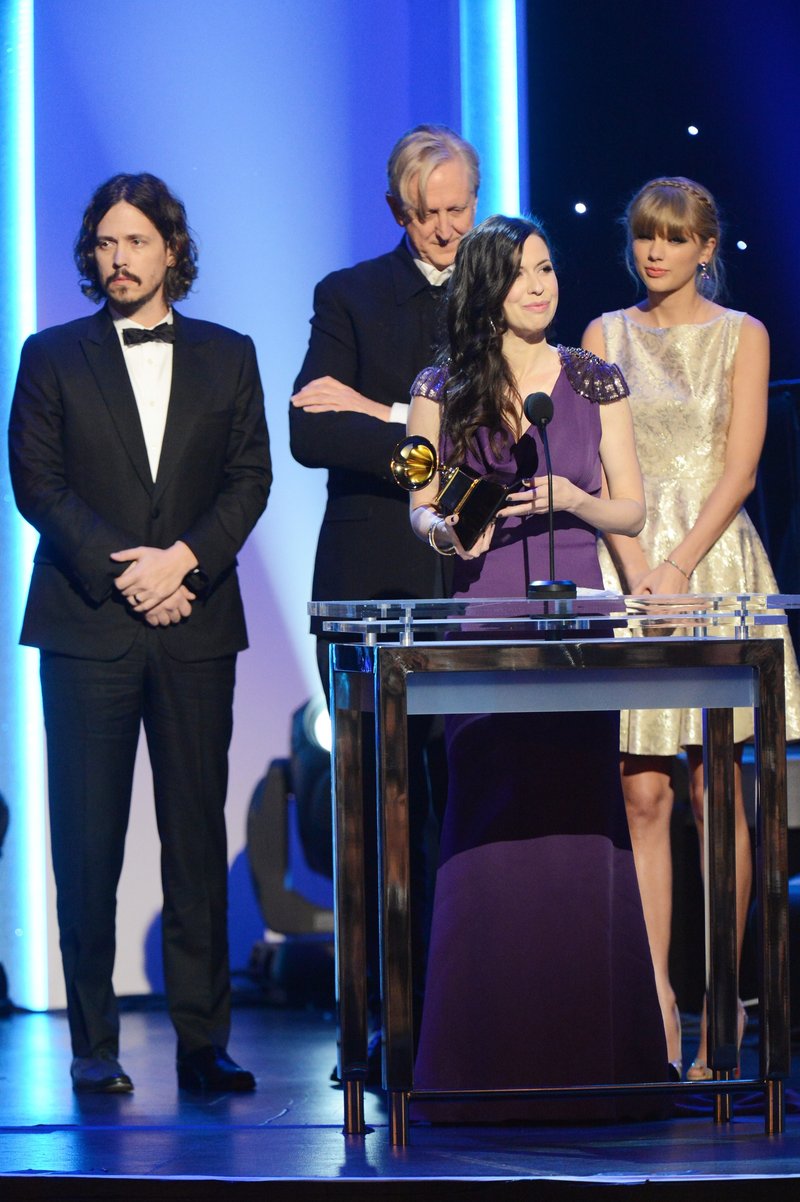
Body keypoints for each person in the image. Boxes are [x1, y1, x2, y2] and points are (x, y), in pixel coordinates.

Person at [8, 173, 272, 1094]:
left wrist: (184, 563)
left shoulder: (229, 355)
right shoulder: (50, 355)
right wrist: (135, 571)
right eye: (103, 243)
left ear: (172, 249)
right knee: (86, 840)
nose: (116, 258)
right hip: (88, 625)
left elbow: (249, 481)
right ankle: (92, 1044)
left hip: (196, 623)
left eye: (134, 241)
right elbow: (37, 483)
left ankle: (204, 1040)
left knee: (195, 833)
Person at [407, 214, 668, 1121]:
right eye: (521, 273)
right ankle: (481, 1061)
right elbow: (418, 498)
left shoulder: (595, 377)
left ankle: (597, 1058)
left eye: (549, 269)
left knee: (578, 824)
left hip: (577, 618)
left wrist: (579, 499)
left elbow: (633, 509)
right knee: (489, 817)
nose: (540, 285)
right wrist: (447, 525)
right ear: (486, 284)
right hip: (486, 615)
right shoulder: (439, 384)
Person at [582, 176, 800, 1080]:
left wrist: (680, 568)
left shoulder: (742, 336)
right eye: (643, 236)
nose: (655, 252)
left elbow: (741, 470)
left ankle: (724, 1004)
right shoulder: (603, 335)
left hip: (716, 564)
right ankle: (655, 1005)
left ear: (707, 246)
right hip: (630, 566)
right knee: (643, 793)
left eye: (673, 238)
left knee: (719, 792)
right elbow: (599, 459)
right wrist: (641, 576)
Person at [290, 126, 479, 1077]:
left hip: (473, 576)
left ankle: (458, 1013)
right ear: (398, 210)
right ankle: (375, 1019)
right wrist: (415, 437)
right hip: (373, 580)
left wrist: (384, 416)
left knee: (466, 796)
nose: (446, 230)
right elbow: (311, 434)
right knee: (375, 802)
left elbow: (493, 447)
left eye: (459, 211)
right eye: (429, 214)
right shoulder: (351, 294)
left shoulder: (498, 291)